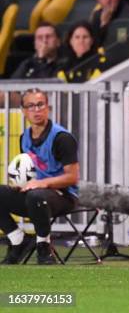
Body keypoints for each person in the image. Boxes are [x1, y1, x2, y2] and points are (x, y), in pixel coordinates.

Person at [0, 89, 79, 265]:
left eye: (40, 104)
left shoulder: (62, 138)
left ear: (47, 107)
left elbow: (72, 178)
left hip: (63, 196)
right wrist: (20, 185)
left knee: (37, 195)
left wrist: (41, 183)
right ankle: (18, 240)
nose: (36, 110)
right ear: (23, 110)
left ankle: (43, 245)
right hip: (34, 194)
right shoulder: (24, 137)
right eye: (30, 106)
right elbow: (30, 172)